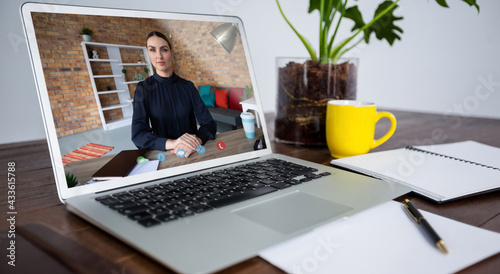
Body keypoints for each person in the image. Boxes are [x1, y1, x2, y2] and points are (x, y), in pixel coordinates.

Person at [132, 31, 216, 157]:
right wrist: (174, 143)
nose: (159, 56)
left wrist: (196, 141)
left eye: (164, 50)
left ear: (171, 52)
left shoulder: (188, 86)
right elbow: (138, 135)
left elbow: (209, 123)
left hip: (194, 151)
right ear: (148, 54)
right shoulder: (143, 89)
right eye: (153, 50)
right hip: (166, 154)